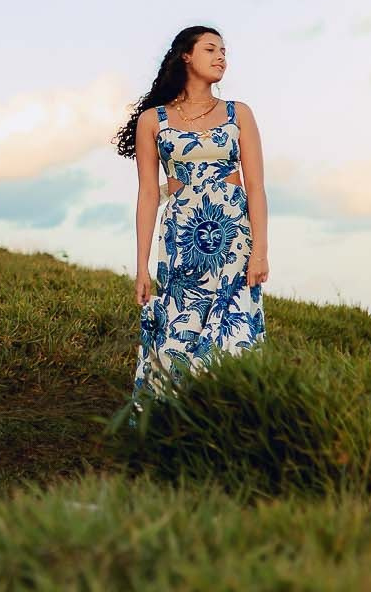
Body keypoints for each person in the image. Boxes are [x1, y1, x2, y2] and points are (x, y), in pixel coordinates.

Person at [111, 25, 268, 403]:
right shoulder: (154, 120)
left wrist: (260, 250)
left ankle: (230, 421)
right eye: (211, 49)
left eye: (224, 52)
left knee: (233, 327)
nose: (221, 58)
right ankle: (172, 423)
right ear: (186, 56)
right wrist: (141, 266)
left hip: (232, 235)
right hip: (181, 236)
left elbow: (256, 187)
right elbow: (149, 194)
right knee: (179, 326)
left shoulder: (238, 113)